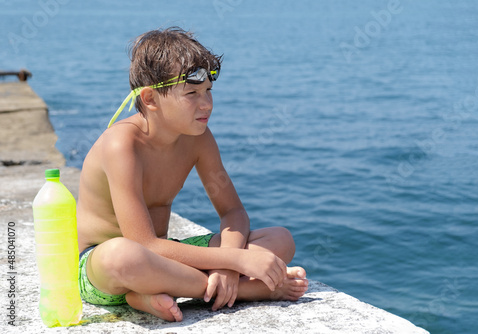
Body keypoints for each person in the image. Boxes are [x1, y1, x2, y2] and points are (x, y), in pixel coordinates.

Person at [76, 27, 308, 322]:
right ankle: (248, 290)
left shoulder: (197, 137)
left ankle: (149, 294)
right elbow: (142, 244)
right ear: (150, 99)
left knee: (279, 239)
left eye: (209, 91)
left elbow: (233, 212)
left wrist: (227, 267)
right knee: (123, 255)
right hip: (105, 268)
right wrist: (238, 261)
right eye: (192, 93)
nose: (207, 104)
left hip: (165, 261)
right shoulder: (121, 145)